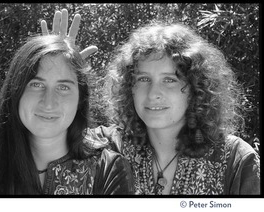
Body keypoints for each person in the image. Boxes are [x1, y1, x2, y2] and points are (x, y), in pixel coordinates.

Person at [42, 9, 260, 195]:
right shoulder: (108, 147)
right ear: (129, 87)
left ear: (196, 88)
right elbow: (47, 138)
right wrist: (56, 73)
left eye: (170, 80)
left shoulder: (235, 160)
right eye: (143, 79)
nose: (153, 93)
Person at [0, 33, 134, 195]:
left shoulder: (107, 169)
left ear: (80, 101)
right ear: (15, 93)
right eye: (36, 84)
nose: (48, 103)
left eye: (63, 87)